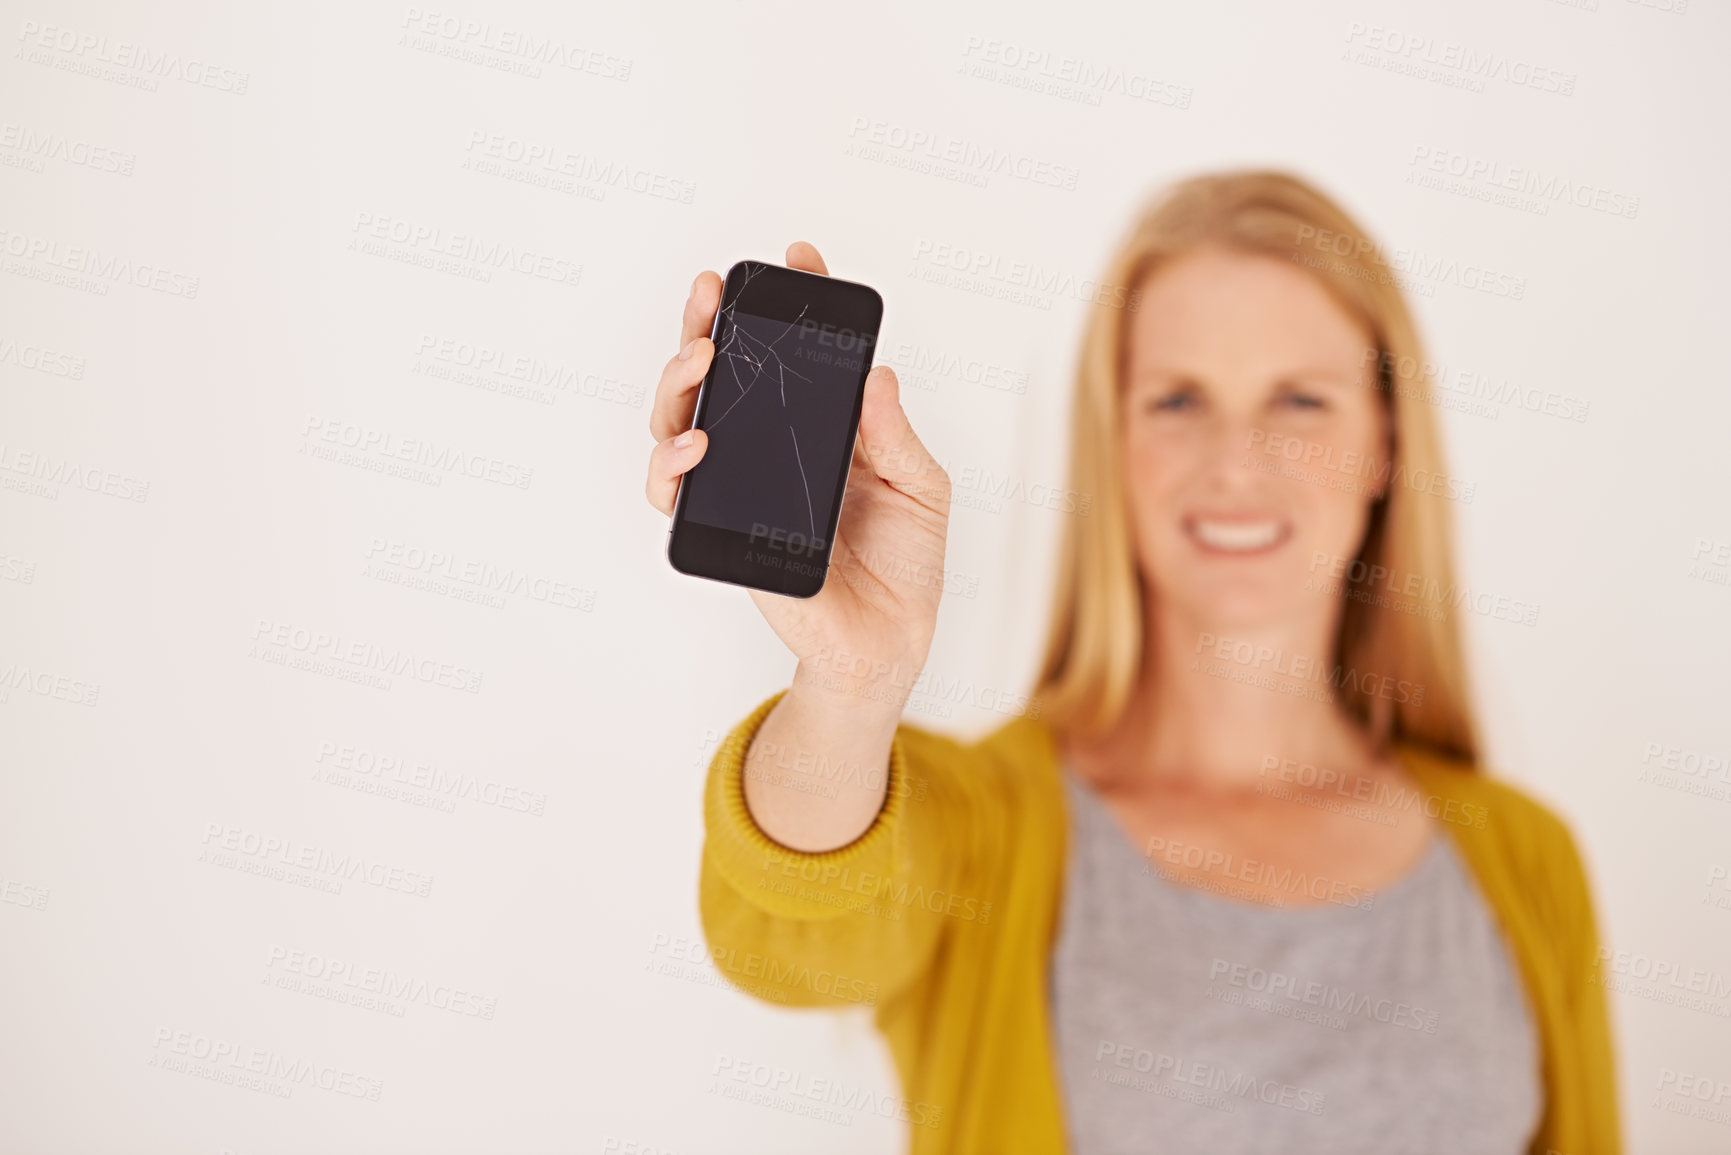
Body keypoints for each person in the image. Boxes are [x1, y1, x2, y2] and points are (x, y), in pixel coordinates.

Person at [644, 171, 1620, 1155]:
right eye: (1179, 398)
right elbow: (786, 949)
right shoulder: (989, 833)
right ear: (1113, 447)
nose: (1237, 459)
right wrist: (852, 685)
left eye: (1301, 398)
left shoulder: (1523, 864)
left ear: (1383, 446)